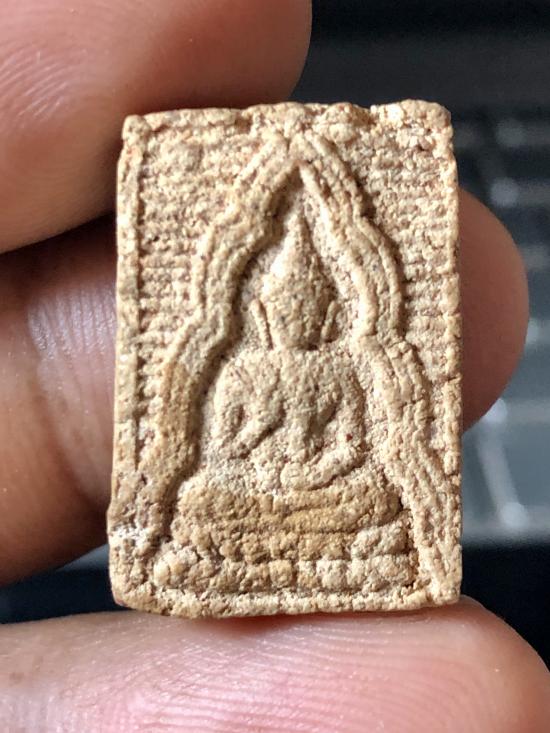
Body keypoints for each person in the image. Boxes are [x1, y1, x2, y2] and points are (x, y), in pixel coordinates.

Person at [0, 1, 548, 729]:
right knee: (206, 501)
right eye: (288, 307)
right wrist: (266, 465)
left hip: (333, 496)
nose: (301, 317)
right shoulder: (241, 370)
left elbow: (357, 444)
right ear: (261, 306)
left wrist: (317, 467)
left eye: (314, 307)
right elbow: (221, 447)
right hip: (248, 497)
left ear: (332, 307)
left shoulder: (344, 367)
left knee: (370, 502)